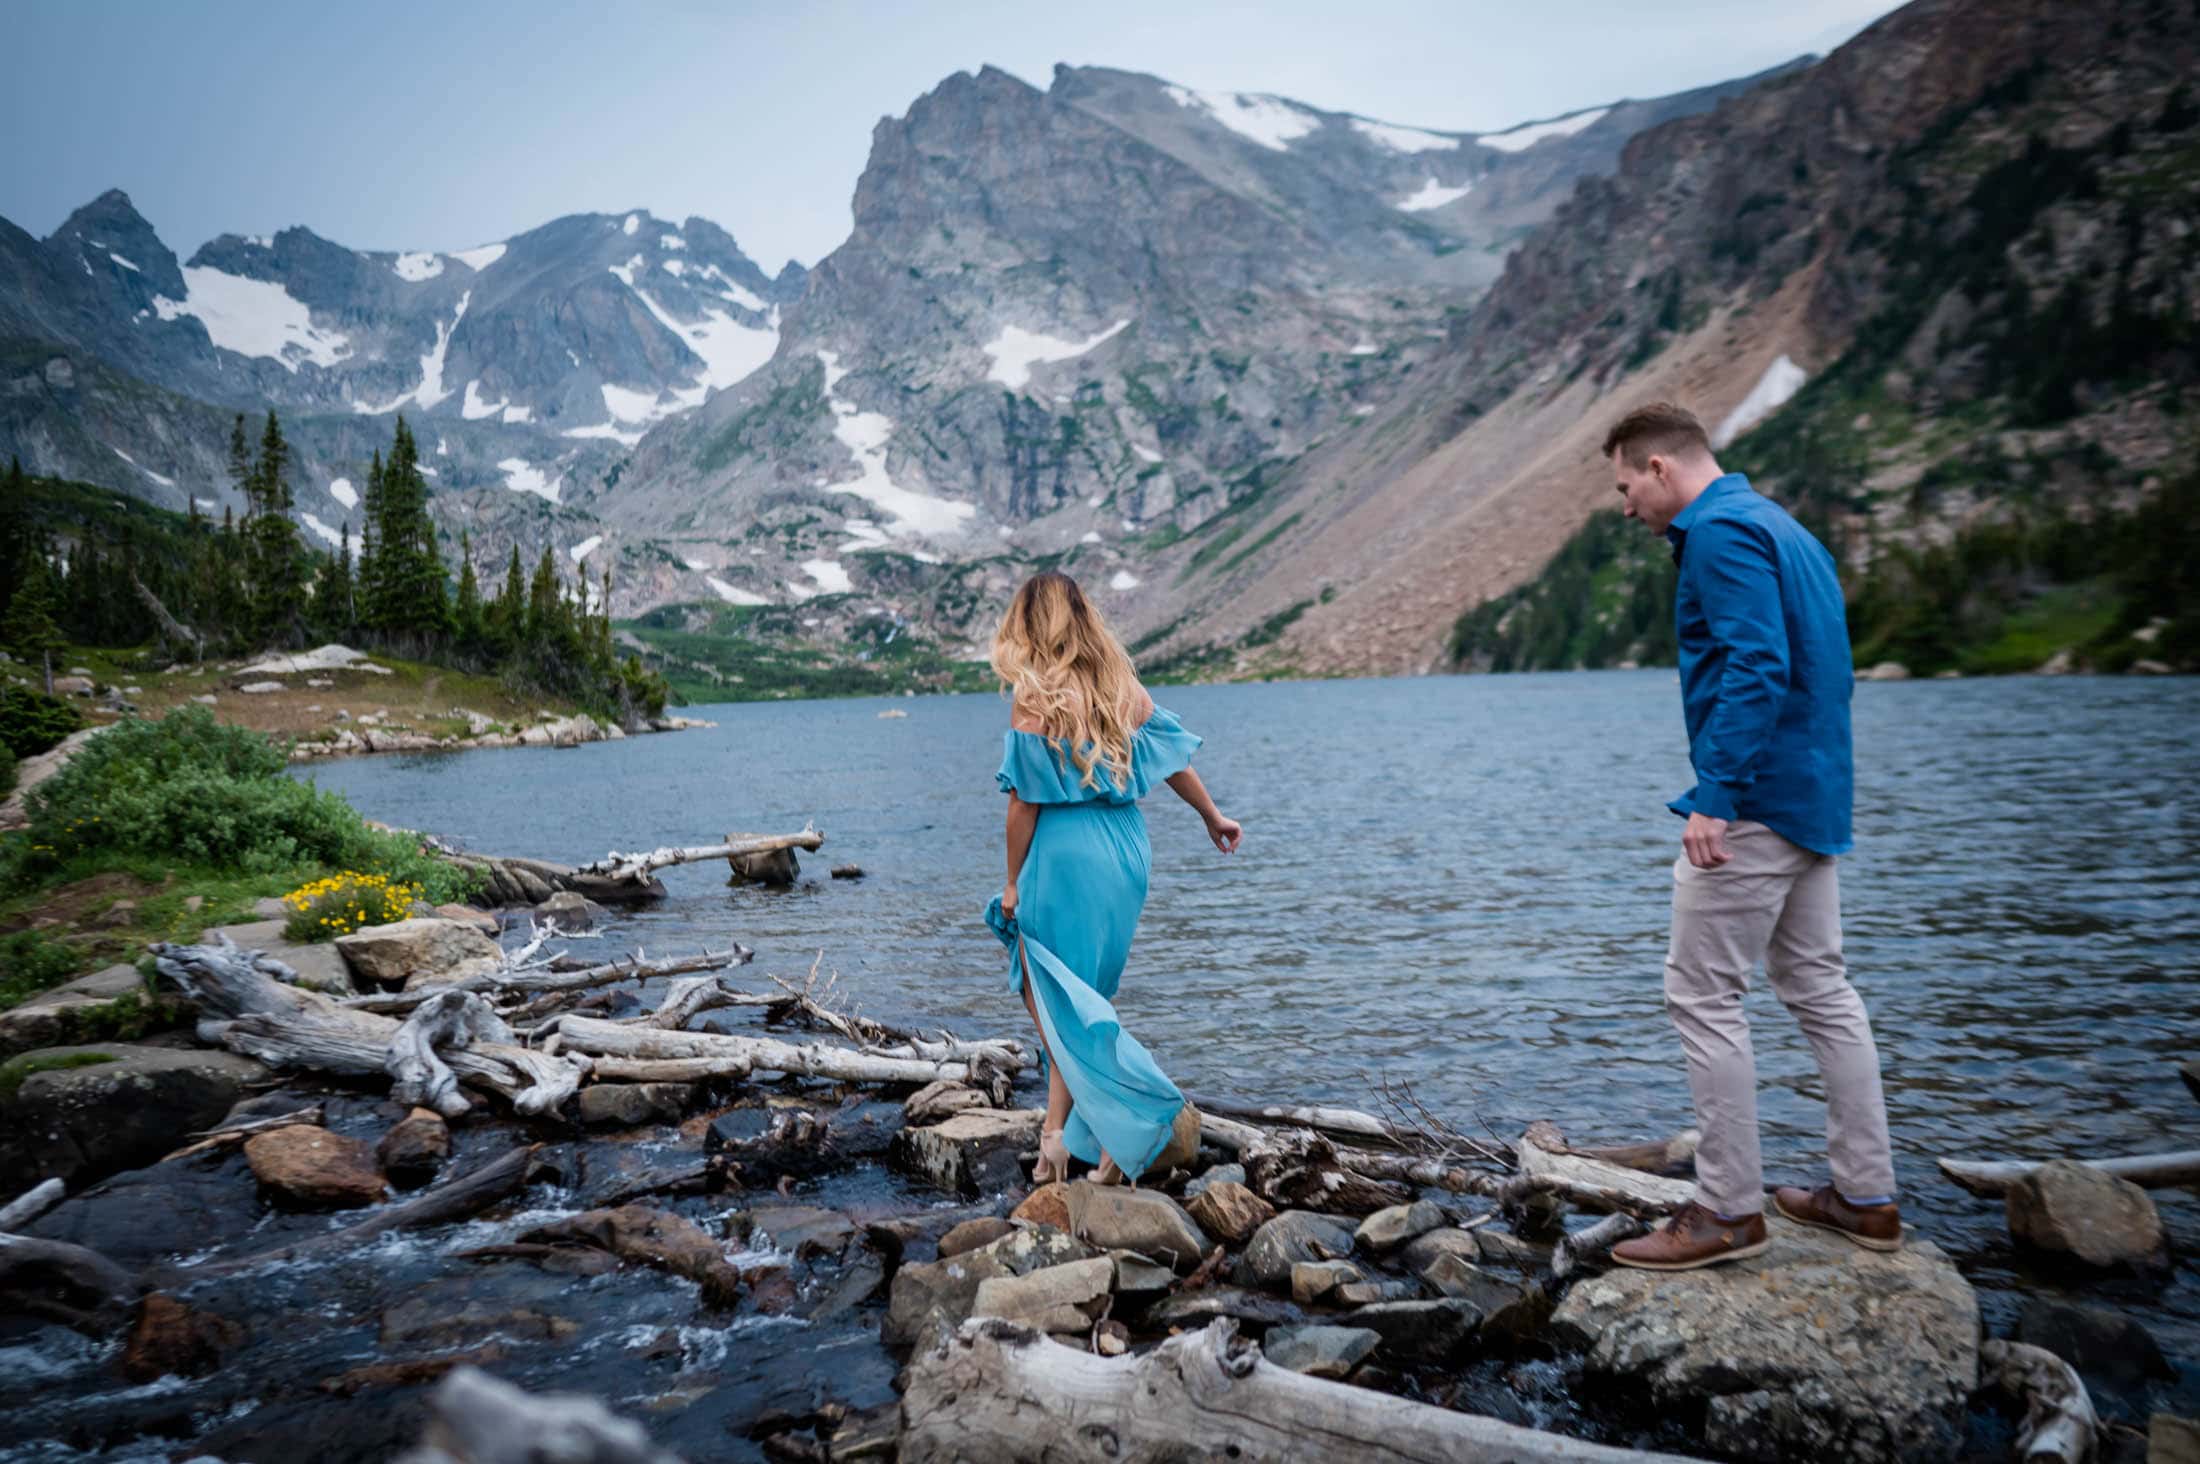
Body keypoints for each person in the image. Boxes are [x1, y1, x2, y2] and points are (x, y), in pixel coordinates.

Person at [1596, 403, 1903, 1272]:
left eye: (1627, 486)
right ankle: (1867, 1197)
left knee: (1701, 994)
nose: (1626, 507)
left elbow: (1758, 666)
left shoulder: (1722, 533)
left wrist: (1717, 796)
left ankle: (1727, 1209)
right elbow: (1821, 667)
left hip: (1759, 802)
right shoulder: (1781, 524)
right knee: (1819, 986)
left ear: (1660, 468)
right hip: (1813, 795)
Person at [986, 570, 1242, 1185]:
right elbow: (1173, 759)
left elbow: (1024, 803)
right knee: (1084, 997)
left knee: (1051, 995)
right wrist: (1213, 815)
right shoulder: (1119, 683)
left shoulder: (1036, 695)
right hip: (1126, 848)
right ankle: (1071, 1145)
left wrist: (1012, 880)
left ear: (1028, 622)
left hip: (1067, 849)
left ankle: (1134, 1110)